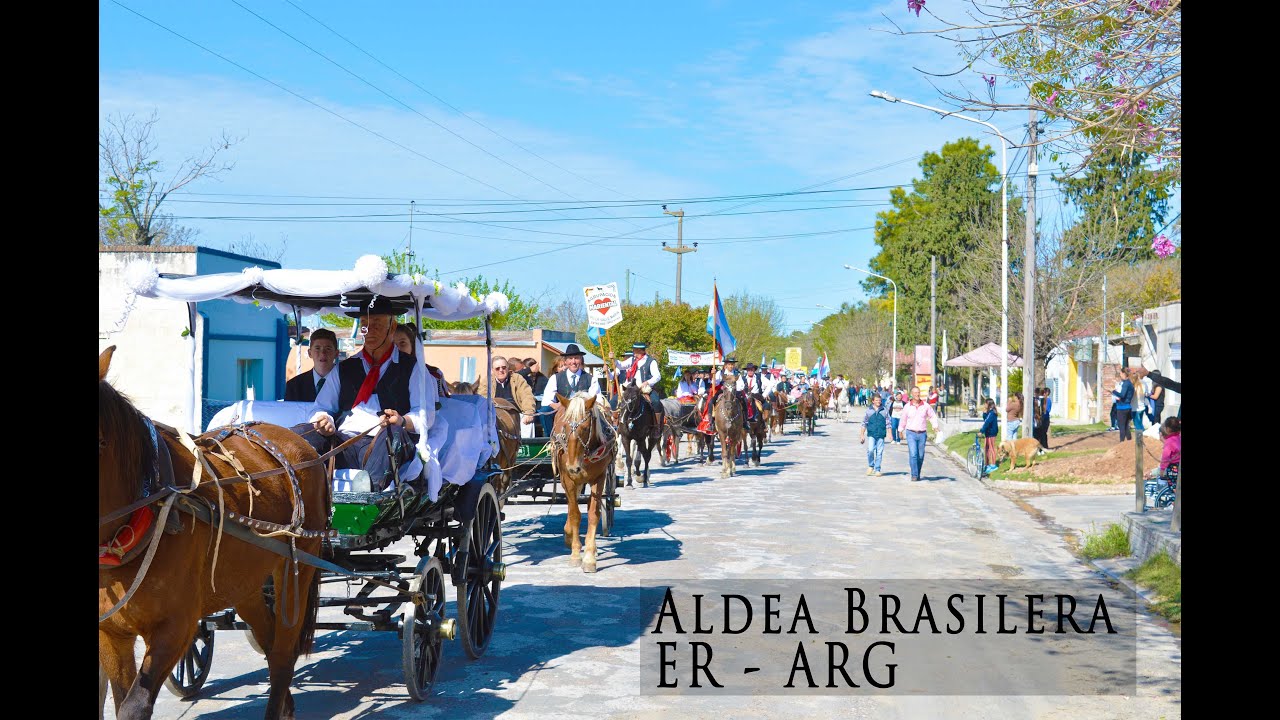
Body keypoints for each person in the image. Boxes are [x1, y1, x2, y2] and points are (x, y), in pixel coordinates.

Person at [297, 295, 433, 492]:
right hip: (344, 442)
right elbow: (322, 407)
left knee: (392, 433)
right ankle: (291, 490)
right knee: (304, 432)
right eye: (364, 325)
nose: (369, 331)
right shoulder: (344, 368)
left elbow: (426, 414)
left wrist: (402, 421)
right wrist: (324, 419)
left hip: (386, 441)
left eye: (377, 324)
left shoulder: (413, 369)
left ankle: (367, 494)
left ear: (392, 327)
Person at [611, 342, 665, 439]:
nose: (634, 352)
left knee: (656, 402)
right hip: (631, 388)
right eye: (634, 350)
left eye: (635, 351)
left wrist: (647, 382)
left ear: (641, 351)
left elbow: (657, 376)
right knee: (614, 401)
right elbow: (621, 365)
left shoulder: (651, 361)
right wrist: (613, 359)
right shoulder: (632, 360)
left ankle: (656, 427)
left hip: (644, 389)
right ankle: (616, 424)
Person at [540, 344, 601, 414]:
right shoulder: (555, 378)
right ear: (565, 361)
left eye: (576, 358)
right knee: (544, 411)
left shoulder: (591, 379)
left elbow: (597, 400)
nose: (573, 362)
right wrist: (557, 406)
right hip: (561, 413)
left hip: (583, 414)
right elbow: (547, 400)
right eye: (570, 358)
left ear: (581, 360)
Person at [284, 328, 338, 403]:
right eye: (317, 348)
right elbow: (290, 413)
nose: (323, 353)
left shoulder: (348, 384)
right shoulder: (294, 386)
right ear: (309, 353)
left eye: (328, 349)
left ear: (336, 353)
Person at [487, 356, 537, 435]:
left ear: (508, 368)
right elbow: (482, 399)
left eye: (503, 367)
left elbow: (527, 395)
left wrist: (529, 412)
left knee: (528, 424)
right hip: (495, 417)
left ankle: (524, 446)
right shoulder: (487, 382)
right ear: (492, 370)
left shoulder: (517, 378)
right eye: (497, 368)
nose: (501, 370)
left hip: (516, 415)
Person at [901, 386, 941, 481]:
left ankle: (917, 473)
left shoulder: (925, 405)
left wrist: (935, 426)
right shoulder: (907, 406)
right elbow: (903, 419)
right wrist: (900, 430)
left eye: (918, 392)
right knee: (913, 454)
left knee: (920, 455)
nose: (917, 394)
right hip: (911, 433)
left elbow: (932, 416)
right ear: (912, 394)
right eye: (915, 393)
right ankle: (914, 475)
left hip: (922, 433)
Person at [860, 393, 889, 476]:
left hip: (881, 434)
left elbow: (888, 423)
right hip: (872, 434)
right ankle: (871, 465)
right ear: (873, 401)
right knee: (870, 450)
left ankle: (877, 469)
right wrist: (862, 435)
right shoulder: (869, 411)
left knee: (879, 452)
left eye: (879, 400)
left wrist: (890, 434)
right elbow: (864, 423)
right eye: (876, 400)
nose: (878, 402)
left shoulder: (884, 410)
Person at [1112, 368, 1135, 442]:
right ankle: (1129, 441)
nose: (1120, 375)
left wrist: (1113, 391)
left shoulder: (1126, 383)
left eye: (1121, 374)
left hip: (1122, 407)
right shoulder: (1129, 383)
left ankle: (1121, 443)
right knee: (1125, 426)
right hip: (1127, 407)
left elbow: (1122, 395)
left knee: (1121, 426)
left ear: (1124, 374)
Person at [980, 398, 1001, 473]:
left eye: (985, 403)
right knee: (986, 448)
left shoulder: (992, 413)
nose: (984, 405)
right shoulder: (989, 412)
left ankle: (993, 465)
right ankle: (987, 463)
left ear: (989, 404)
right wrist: (984, 413)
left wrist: (981, 431)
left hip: (992, 432)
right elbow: (985, 419)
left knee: (991, 448)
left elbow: (987, 422)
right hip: (987, 432)